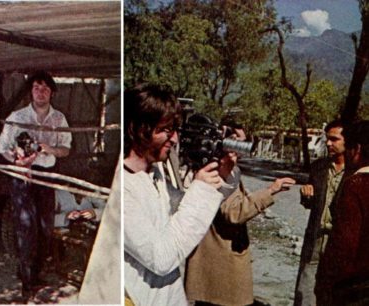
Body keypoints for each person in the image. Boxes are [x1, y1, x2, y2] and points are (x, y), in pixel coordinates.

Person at [123, 84, 225, 306]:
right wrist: (201, 192)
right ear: (138, 129)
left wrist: (218, 175)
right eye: (166, 130)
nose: (175, 139)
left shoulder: (153, 171)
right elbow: (161, 258)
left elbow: (178, 210)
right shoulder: (123, 189)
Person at [185, 125, 296, 306]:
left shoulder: (230, 170)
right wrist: (270, 190)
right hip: (220, 262)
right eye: (235, 141)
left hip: (219, 261)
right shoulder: (217, 171)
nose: (240, 147)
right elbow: (234, 213)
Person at [0, 71, 72, 298]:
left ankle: (36, 273)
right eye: (37, 88)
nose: (41, 92)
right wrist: (18, 161)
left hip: (47, 174)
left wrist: (49, 149)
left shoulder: (59, 119)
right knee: (26, 225)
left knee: (45, 226)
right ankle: (26, 280)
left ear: (52, 93)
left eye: (45, 89)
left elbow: (66, 150)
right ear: (31, 91)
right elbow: (3, 147)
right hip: (23, 175)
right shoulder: (17, 116)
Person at [315, 120, 369, 305]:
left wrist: (325, 284)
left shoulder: (356, 186)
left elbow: (344, 246)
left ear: (358, 149)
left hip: (354, 289)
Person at [294, 119, 345, 306]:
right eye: (327, 139)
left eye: (334, 139)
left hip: (338, 241)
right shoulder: (319, 167)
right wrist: (306, 196)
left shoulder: (357, 172)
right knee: (305, 290)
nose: (329, 143)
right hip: (315, 237)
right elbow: (311, 204)